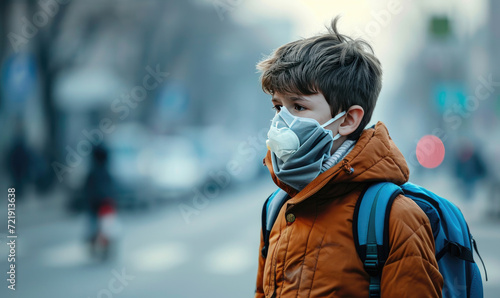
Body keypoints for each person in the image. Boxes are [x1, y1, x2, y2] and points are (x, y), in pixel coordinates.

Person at [254, 17, 443, 297]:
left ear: (348, 120)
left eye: (298, 106)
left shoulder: (395, 217)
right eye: (277, 107)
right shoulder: (278, 207)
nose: (281, 121)